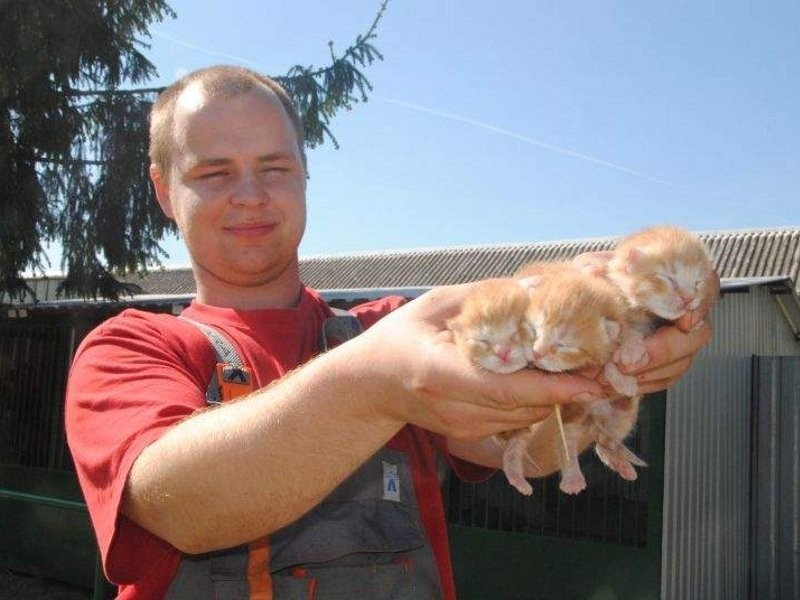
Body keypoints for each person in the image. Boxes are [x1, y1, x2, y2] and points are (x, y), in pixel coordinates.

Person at [65, 65, 715, 599]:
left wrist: (603, 365)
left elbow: (520, 446)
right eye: (213, 173)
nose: (251, 194)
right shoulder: (129, 350)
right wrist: (378, 385)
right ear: (162, 190)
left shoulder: (389, 329)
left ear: (304, 171)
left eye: (274, 165)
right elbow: (181, 506)